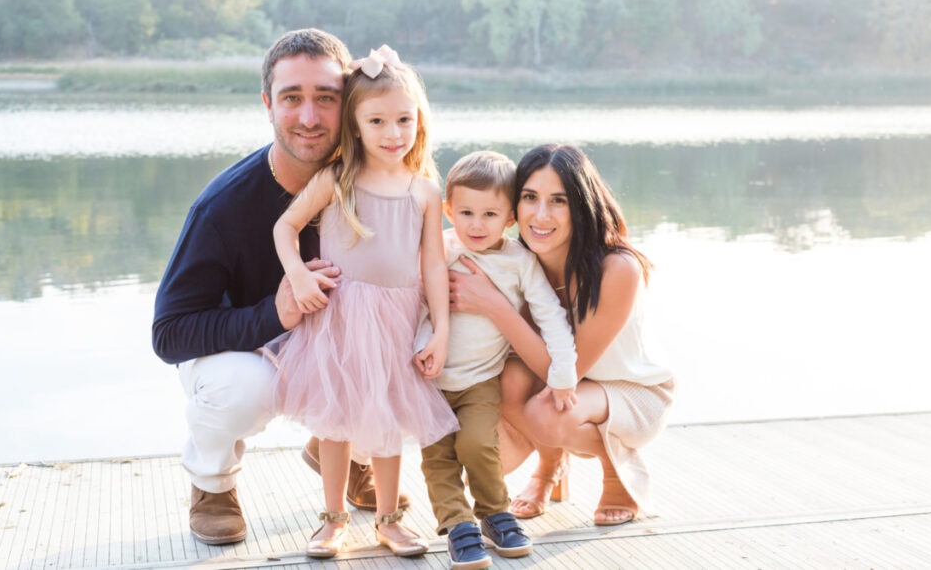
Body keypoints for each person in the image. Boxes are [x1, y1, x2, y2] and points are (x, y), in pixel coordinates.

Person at [151, 28, 406, 546]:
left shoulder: (377, 183)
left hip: (336, 344)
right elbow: (169, 334)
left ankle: (343, 448)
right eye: (292, 98)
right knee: (246, 388)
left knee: (418, 341)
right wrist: (275, 314)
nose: (309, 117)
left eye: (327, 99)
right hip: (247, 353)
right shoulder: (221, 207)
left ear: (349, 105)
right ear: (268, 104)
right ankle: (213, 482)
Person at [271, 45, 459, 559]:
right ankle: (332, 520)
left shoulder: (423, 190)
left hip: (398, 317)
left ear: (419, 122)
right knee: (336, 418)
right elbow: (285, 228)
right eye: (377, 121)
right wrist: (298, 278)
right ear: (354, 126)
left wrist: (439, 330)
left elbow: (434, 265)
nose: (393, 133)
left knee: (388, 418)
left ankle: (389, 520)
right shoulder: (337, 181)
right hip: (341, 317)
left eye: (404, 120)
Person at [448, 144, 676, 527]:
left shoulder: (617, 268)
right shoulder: (516, 259)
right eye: (529, 198)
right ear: (511, 208)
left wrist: (496, 305)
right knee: (505, 382)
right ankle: (550, 467)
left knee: (544, 413)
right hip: (568, 390)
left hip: (630, 391)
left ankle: (615, 472)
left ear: (581, 205)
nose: (540, 215)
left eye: (558, 201)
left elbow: (566, 371)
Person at [414, 150, 578, 569]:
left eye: (489, 214)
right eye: (465, 212)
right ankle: (458, 526)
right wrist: (420, 345)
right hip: (428, 381)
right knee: (438, 459)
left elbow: (550, 316)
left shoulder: (519, 262)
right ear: (447, 210)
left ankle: (494, 513)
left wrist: (563, 373)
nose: (475, 224)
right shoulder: (439, 249)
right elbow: (415, 305)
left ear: (510, 219)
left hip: (479, 381)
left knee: (477, 445)